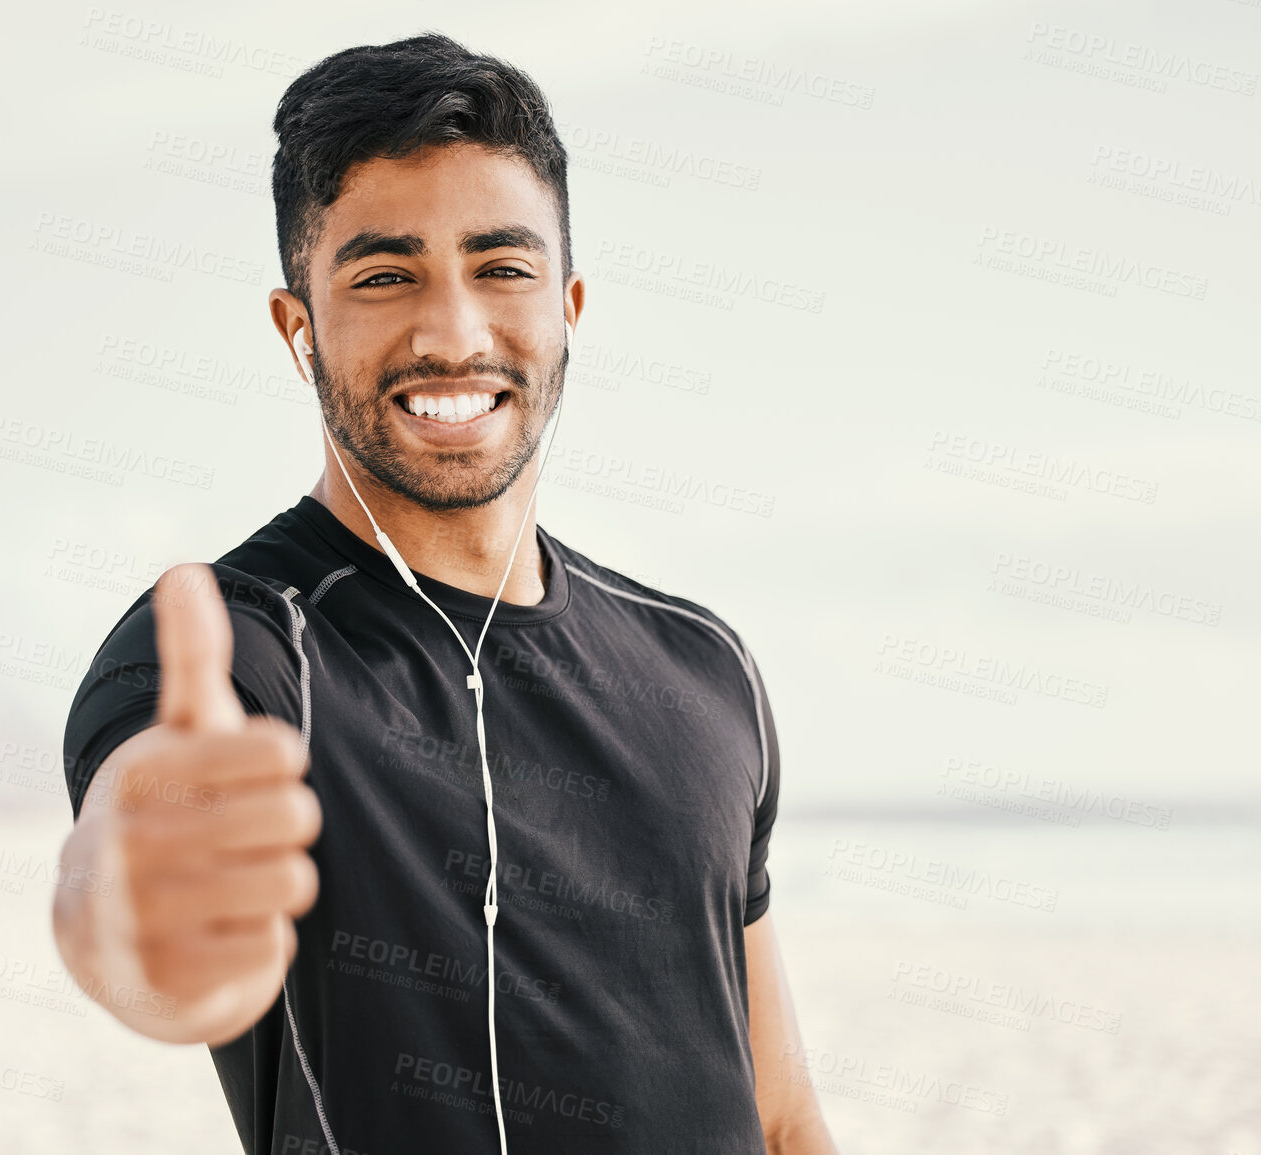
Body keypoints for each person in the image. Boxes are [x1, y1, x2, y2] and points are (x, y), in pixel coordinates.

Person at [51, 31, 838, 1155]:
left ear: (568, 305)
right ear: (298, 328)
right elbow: (129, 880)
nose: (452, 332)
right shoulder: (240, 654)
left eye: (501, 267)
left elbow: (781, 1114)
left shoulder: (705, 667)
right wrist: (135, 916)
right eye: (384, 275)